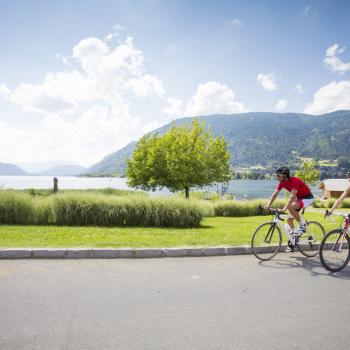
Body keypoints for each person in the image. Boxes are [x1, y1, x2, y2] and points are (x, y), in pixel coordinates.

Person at [265, 166, 315, 251]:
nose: (277, 177)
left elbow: (292, 196)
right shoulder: (282, 183)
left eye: (278, 175)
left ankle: (302, 226)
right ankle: (294, 240)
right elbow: (275, 194)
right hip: (299, 199)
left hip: (307, 198)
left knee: (290, 206)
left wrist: (284, 208)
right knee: (289, 220)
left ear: (285, 175)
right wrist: (268, 205)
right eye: (277, 175)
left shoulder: (295, 181)